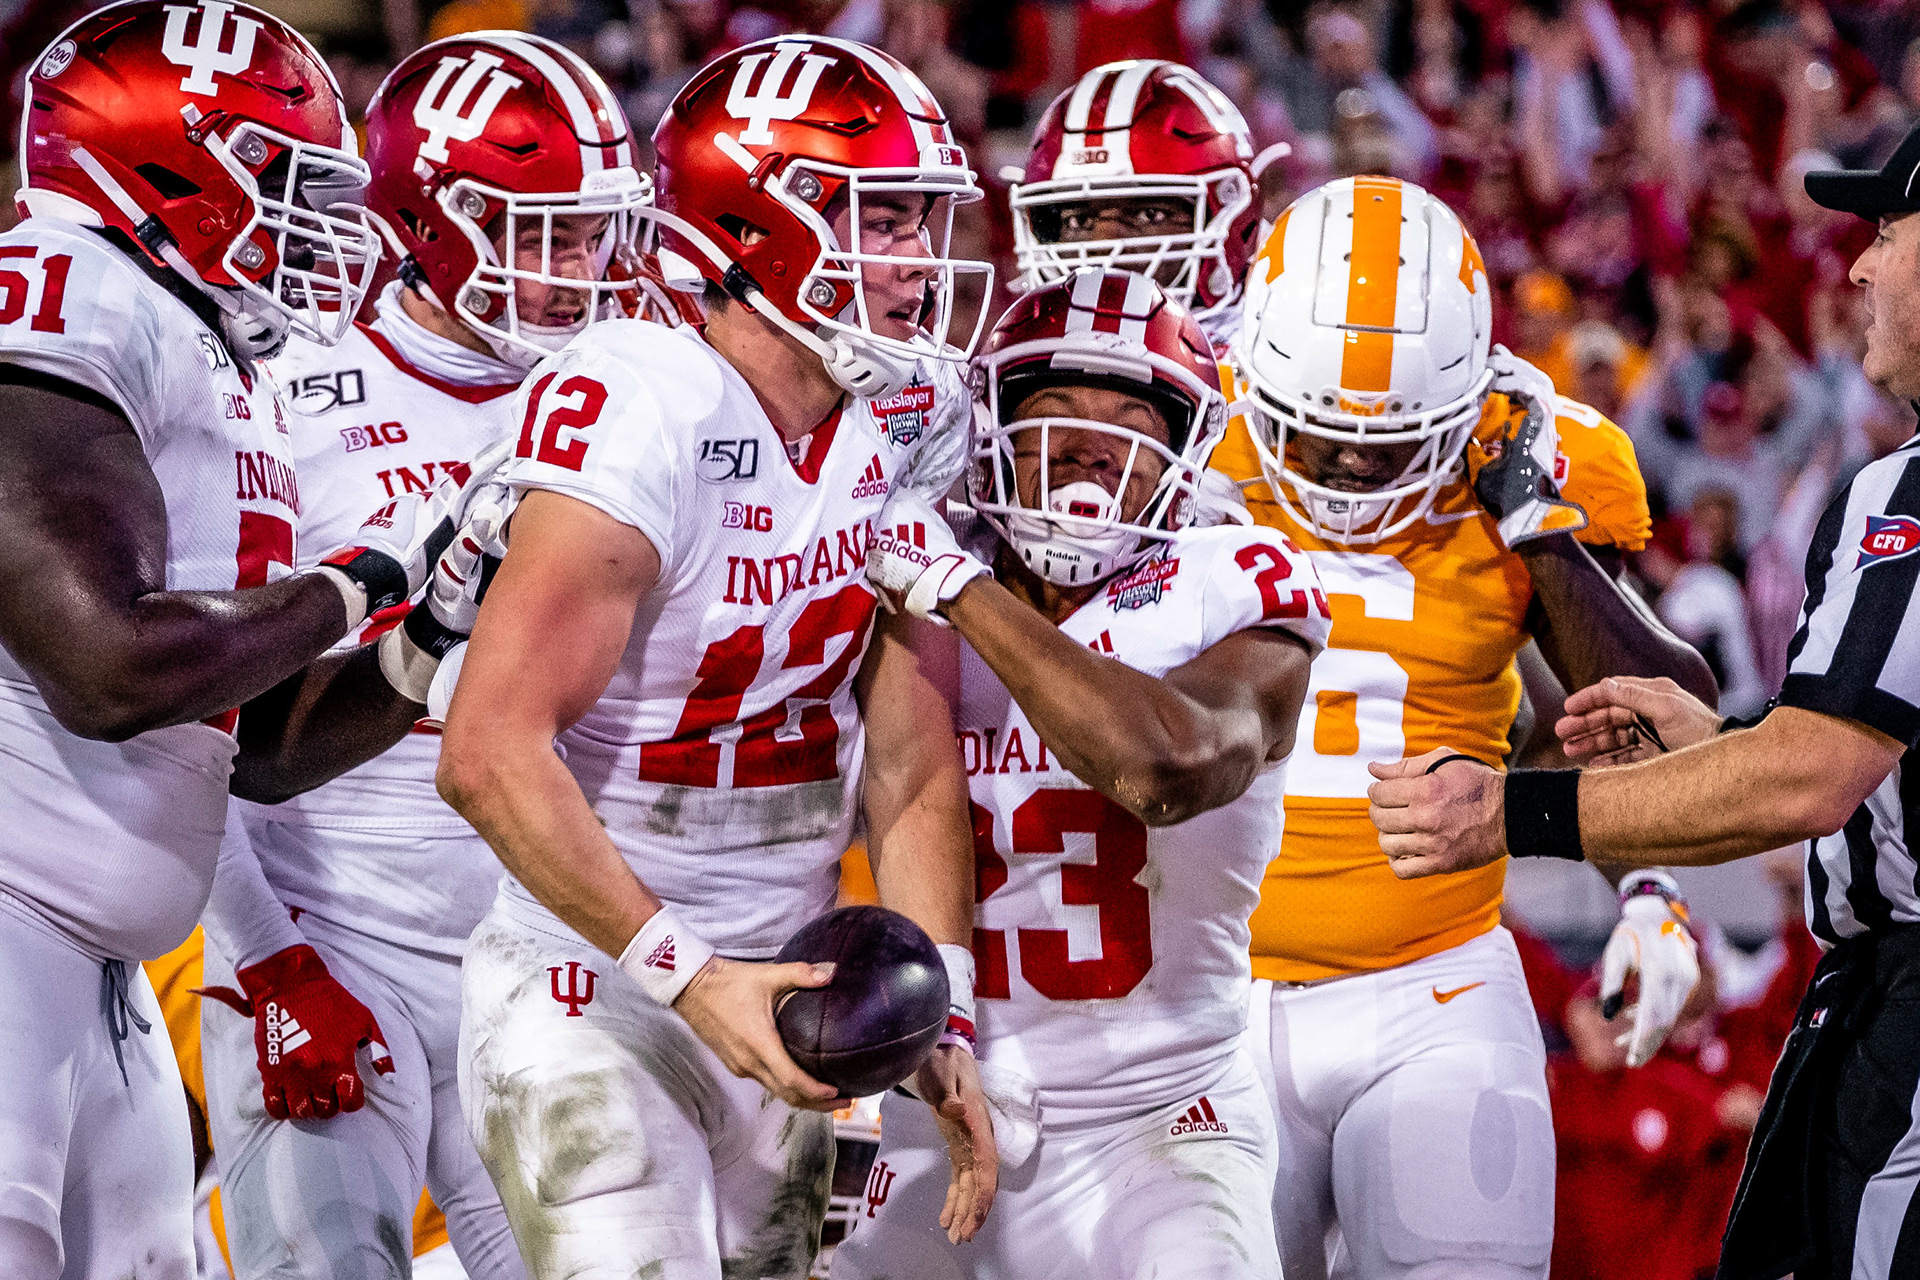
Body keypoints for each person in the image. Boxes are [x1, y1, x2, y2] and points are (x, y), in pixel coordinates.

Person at [435, 36, 998, 1280]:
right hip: (601, 982)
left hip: (795, 991)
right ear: (761, 228)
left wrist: (941, 1005)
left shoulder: (901, 421)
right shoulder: (643, 399)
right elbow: (484, 753)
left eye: (919, 217)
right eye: (881, 217)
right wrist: (694, 980)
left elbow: (908, 758)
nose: (915, 258)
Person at [1367, 123, 1920, 1280]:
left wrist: (1507, 813)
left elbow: (1815, 774)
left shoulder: (1905, 492)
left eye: (1885, 231)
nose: (1857, 266)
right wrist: (1720, 747)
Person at [0, 2, 481, 1273]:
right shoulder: (61, 292)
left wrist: (429, 624)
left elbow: (248, 742)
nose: (319, 223)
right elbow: (111, 666)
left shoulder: (200, 342)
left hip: (91, 965)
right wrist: (364, 572)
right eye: (286, 179)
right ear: (172, 162)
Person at [195, 32, 666, 1280]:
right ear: (428, 217)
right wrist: (269, 954)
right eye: (537, 232)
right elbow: (194, 727)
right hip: (333, 931)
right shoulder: (285, 392)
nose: (577, 272)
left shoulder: (636, 399)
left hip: (541, 944)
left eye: (591, 232)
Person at [1208, 174, 1719, 1280]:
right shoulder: (1181, 442)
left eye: (1391, 443)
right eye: (1317, 435)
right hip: (1202, 999)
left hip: (1431, 981)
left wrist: (1535, 518)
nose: (1350, 467)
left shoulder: (1529, 459)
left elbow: (1656, 717)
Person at [835, 268, 1329, 1279]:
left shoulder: (1232, 579)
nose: (1091, 442)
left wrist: (961, 590)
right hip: (941, 1085)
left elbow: (1166, 765)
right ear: (995, 433)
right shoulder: (913, 583)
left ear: (1184, 452)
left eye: (1128, 415)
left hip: (1162, 1115)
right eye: (1054, 408)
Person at [1009, 59, 1286, 356]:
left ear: (1234, 220)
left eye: (1149, 214)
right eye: (1077, 220)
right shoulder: (1010, 356)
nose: (1103, 246)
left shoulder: (1284, 361)